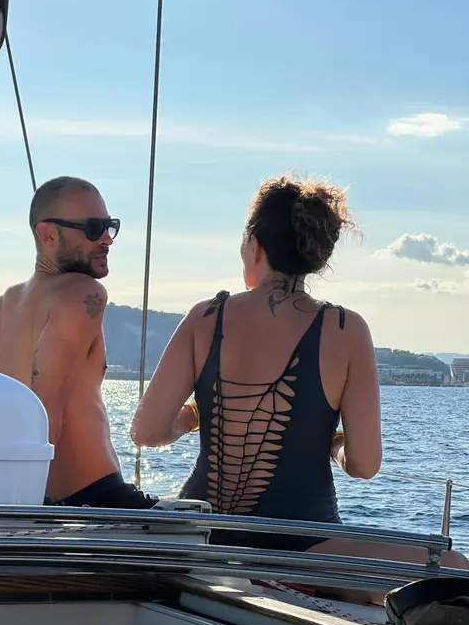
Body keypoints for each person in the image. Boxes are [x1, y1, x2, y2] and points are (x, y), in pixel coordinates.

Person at [130, 172, 468, 600]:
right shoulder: (345, 328)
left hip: (207, 539)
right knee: (452, 568)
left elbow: (146, 432)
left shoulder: (205, 318)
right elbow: (364, 465)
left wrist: (199, 414)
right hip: (305, 548)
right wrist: (332, 440)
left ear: (253, 245)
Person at [0, 175, 158, 509]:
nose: (106, 240)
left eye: (109, 226)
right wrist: (35, 511)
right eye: (93, 228)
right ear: (47, 233)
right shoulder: (82, 293)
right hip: (94, 501)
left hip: (19, 500)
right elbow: (46, 411)